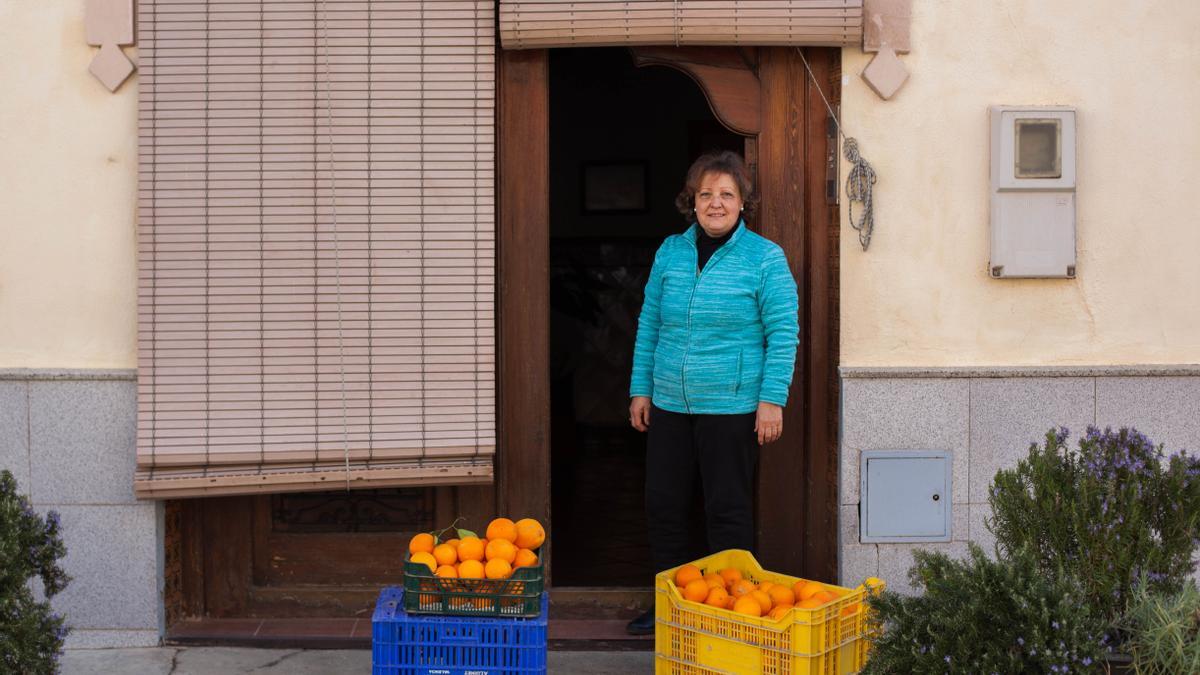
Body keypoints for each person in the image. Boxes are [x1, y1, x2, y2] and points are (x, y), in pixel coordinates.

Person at [624, 150, 799, 635]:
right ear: (692, 202)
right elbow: (650, 324)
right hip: (669, 404)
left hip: (733, 406)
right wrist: (641, 389)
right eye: (706, 194)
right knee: (663, 505)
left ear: (743, 202)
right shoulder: (670, 252)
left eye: (726, 194)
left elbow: (783, 332)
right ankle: (671, 608)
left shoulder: (764, 257)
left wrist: (772, 399)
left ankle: (728, 614)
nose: (715, 203)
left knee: (727, 510)